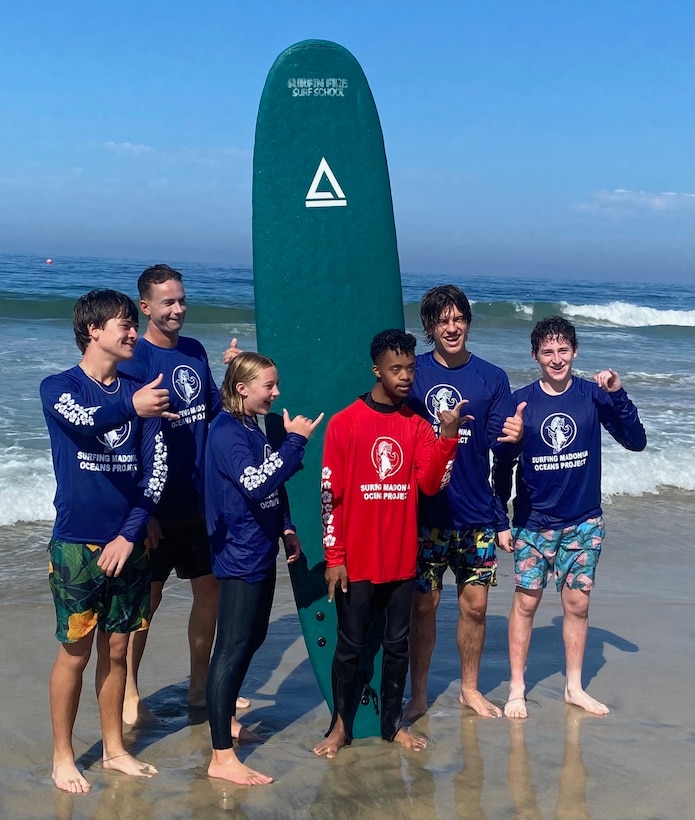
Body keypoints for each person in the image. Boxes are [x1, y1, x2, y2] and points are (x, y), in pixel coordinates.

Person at [40, 289, 174, 793]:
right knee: (74, 652)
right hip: (76, 542)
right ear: (93, 330)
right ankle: (63, 756)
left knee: (117, 650)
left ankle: (115, 748)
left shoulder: (144, 391)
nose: (133, 332)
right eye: (124, 323)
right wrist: (132, 406)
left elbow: (155, 476)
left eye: (133, 323)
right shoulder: (58, 388)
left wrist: (129, 534)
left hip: (129, 543)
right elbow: (86, 420)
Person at [313, 329, 467, 759]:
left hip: (401, 560)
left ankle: (392, 726)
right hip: (356, 562)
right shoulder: (346, 423)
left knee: (397, 647)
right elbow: (330, 495)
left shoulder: (417, 426)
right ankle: (340, 726)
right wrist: (334, 556)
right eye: (395, 369)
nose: (404, 377)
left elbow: (430, 484)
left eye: (410, 369)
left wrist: (448, 437)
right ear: (376, 369)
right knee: (350, 647)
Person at [493, 316, 646, 718]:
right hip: (532, 524)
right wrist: (500, 519)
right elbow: (503, 466)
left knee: (577, 605)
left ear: (575, 351)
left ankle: (573, 687)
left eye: (563, 350)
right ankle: (516, 688)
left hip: (583, 521)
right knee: (526, 604)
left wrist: (618, 394)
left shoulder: (592, 396)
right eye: (548, 352)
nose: (556, 359)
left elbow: (636, 442)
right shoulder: (521, 400)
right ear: (535, 356)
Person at [119, 264, 249, 726]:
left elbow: (215, 413)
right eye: (167, 302)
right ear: (145, 307)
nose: (177, 309)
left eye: (181, 300)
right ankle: (130, 693)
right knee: (145, 605)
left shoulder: (194, 353)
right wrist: (142, 512)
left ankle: (200, 687)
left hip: (200, 502)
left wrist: (236, 374)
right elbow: (129, 440)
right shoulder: (135, 361)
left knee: (208, 593)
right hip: (155, 508)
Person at [405, 285, 525, 721]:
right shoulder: (412, 373)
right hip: (425, 513)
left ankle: (469, 689)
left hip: (475, 513)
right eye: (443, 320)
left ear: (468, 323)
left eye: (458, 319)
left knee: (475, 606)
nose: (451, 328)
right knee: (424, 607)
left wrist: (516, 438)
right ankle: (417, 695)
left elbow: (500, 449)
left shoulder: (491, 378)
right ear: (430, 327)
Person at [205, 352, 323, 785]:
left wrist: (287, 527)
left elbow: (271, 485)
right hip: (238, 552)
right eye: (268, 386)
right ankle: (220, 757)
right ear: (242, 389)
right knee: (232, 646)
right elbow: (256, 482)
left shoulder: (247, 425)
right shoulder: (227, 433)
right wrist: (295, 442)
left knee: (251, 638)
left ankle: (228, 725)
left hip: (260, 547)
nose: (276, 393)